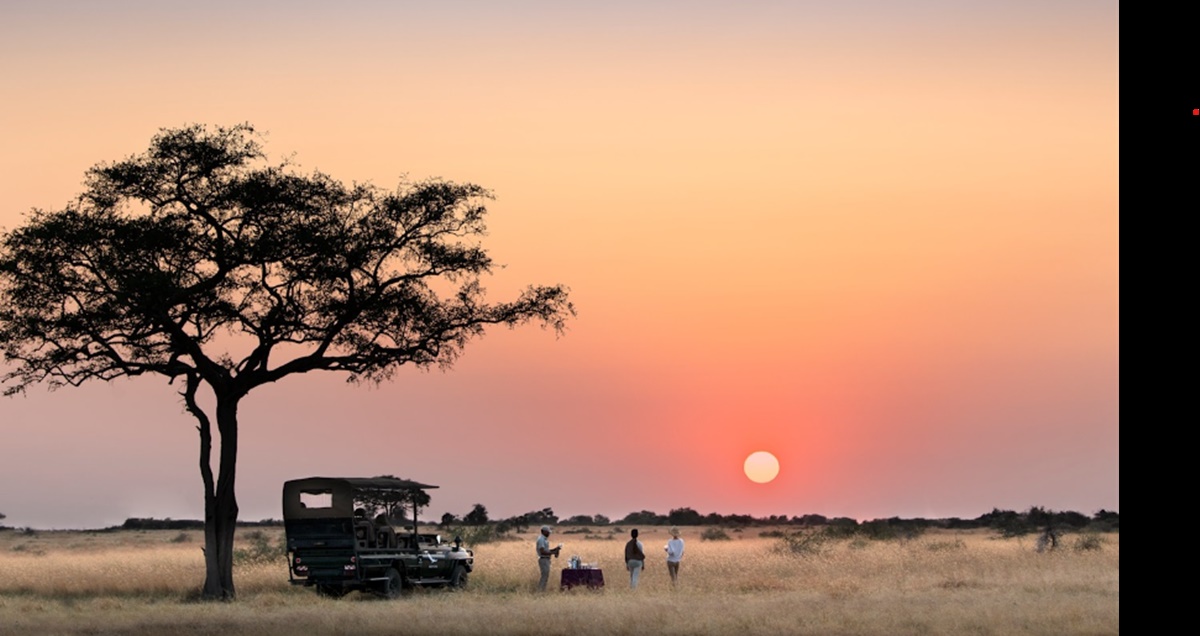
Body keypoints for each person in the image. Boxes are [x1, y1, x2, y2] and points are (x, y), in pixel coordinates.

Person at [535, 525, 561, 591]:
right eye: (547, 532)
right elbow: (542, 551)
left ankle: (542, 590)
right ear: (543, 531)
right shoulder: (541, 539)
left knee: (545, 576)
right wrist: (553, 553)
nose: (549, 533)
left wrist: (555, 549)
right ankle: (540, 590)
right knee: (544, 576)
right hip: (543, 559)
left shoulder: (544, 539)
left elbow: (546, 550)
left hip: (546, 559)